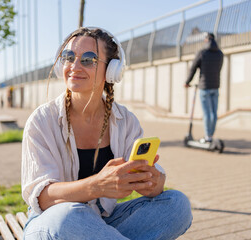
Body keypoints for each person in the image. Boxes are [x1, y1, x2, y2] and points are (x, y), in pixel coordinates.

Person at [22, 27, 192, 240]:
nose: (74, 66)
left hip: (100, 224)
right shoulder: (41, 121)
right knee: (68, 217)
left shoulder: (125, 120)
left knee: (177, 205)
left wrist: (153, 183)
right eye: (68, 57)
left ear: (112, 70)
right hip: (52, 222)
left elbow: (154, 183)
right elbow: (43, 198)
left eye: (88, 59)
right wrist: (96, 185)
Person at [185, 32, 223, 143]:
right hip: (215, 86)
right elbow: (218, 69)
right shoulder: (220, 54)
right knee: (214, 113)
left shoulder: (202, 53)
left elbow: (193, 68)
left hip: (204, 87)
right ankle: (210, 135)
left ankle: (207, 137)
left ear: (206, 40)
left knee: (207, 113)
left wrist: (187, 82)